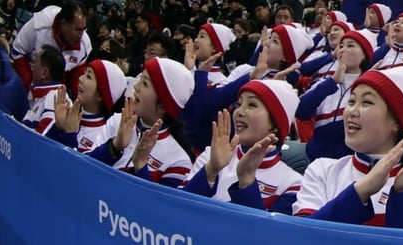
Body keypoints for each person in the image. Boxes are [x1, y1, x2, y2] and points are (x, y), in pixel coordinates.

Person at [292, 67, 403, 229]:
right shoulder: (322, 172)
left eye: (367, 102)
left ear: (396, 122)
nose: (351, 111)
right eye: (351, 101)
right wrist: (361, 190)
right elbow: (302, 235)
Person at [182, 80, 302, 214]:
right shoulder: (212, 155)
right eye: (239, 104)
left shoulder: (292, 184)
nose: (239, 112)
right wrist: (211, 170)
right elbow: (177, 207)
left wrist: (247, 180)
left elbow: (266, 233)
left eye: (252, 105)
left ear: (275, 125)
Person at [88, 58, 196, 187]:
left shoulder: (179, 161)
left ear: (162, 105)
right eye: (140, 78)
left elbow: (155, 205)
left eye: (144, 83)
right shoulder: (118, 121)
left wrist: (141, 165)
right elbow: (85, 166)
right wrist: (114, 147)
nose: (136, 86)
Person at [295, 30, 374, 162]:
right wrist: (332, 82)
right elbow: (301, 111)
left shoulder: (371, 88)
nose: (343, 50)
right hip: (316, 160)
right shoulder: (325, 83)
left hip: (352, 163)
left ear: (365, 55)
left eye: (350, 45)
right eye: (341, 46)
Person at [11, 1, 91, 95]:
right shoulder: (39, 25)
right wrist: (29, 86)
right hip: (28, 78)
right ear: (64, 23)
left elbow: (76, 76)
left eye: (83, 29)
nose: (80, 35)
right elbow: (17, 51)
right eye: (77, 30)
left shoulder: (84, 45)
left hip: (55, 91)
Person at [48, 60, 127, 152]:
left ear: (101, 95)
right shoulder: (67, 113)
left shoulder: (103, 135)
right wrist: (58, 127)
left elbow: (74, 164)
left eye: (88, 76)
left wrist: (70, 134)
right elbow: (43, 150)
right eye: (84, 73)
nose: (80, 78)